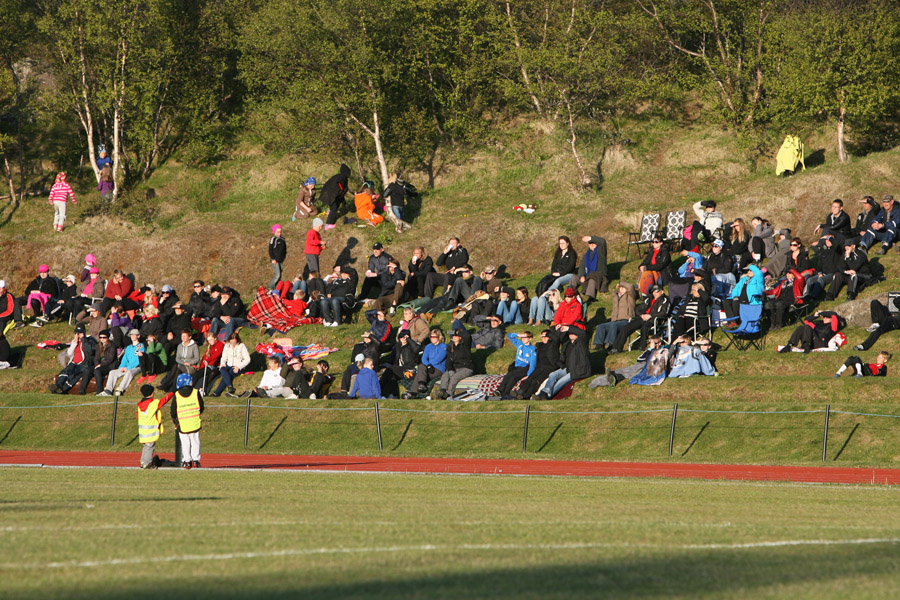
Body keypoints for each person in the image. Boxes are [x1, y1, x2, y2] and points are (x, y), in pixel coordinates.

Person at [536, 323, 591, 399]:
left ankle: (546, 396)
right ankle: (545, 392)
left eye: (573, 333)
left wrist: (568, 328)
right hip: (568, 368)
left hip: (579, 370)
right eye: (570, 333)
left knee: (560, 382)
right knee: (553, 374)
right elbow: (557, 337)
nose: (571, 334)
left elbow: (582, 333)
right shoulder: (567, 343)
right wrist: (557, 328)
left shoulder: (582, 342)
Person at [611, 285, 670, 353]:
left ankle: (642, 347)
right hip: (642, 318)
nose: (654, 293)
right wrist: (641, 315)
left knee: (644, 328)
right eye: (653, 292)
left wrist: (650, 316)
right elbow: (638, 309)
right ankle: (616, 348)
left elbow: (664, 313)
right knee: (626, 328)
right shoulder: (649, 299)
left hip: (654, 320)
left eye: (657, 291)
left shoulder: (665, 300)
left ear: (662, 292)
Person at [48, 324, 97, 394]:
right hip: (73, 362)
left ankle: (63, 389)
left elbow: (90, 350)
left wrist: (83, 339)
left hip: (83, 364)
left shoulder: (90, 340)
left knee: (73, 376)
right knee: (64, 373)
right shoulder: (75, 341)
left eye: (79, 333)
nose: (78, 335)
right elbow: (69, 353)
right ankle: (58, 386)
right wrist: (75, 343)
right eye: (76, 333)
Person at [168, 373, 204, 469]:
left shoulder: (177, 395)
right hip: (194, 421)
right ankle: (196, 460)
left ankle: (187, 461)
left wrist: (174, 420)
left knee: (185, 443)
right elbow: (201, 406)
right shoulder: (196, 392)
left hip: (182, 423)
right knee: (195, 441)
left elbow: (173, 410)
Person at [98, 329, 143, 395]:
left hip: (137, 367)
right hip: (127, 366)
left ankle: (120, 389)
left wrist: (128, 368)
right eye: (131, 335)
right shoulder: (128, 347)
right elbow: (124, 359)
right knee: (112, 372)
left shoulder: (141, 346)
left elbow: (137, 361)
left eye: (134, 335)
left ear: (138, 336)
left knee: (129, 373)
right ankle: (108, 390)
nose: (132, 336)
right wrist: (121, 367)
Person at [404, 329, 448, 398]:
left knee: (420, 374)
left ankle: (413, 392)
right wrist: (428, 365)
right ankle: (421, 384)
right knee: (421, 366)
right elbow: (424, 358)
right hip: (428, 367)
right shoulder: (428, 346)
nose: (432, 339)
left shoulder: (444, 347)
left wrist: (429, 365)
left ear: (439, 337)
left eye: (434, 337)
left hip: (438, 369)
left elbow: (438, 360)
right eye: (431, 337)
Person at [593, 281, 636, 349]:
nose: (621, 289)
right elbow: (614, 292)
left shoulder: (630, 296)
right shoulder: (616, 296)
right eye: (620, 287)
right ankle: (598, 345)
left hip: (626, 320)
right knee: (601, 326)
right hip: (615, 320)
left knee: (613, 325)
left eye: (623, 288)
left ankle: (611, 344)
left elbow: (630, 286)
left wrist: (620, 283)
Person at [434, 327, 474, 399]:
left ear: (460, 337)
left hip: (466, 368)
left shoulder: (465, 345)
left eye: (456, 336)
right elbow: (448, 362)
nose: (454, 337)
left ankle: (449, 394)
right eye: (453, 336)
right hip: (455, 368)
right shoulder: (450, 347)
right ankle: (442, 391)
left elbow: (468, 336)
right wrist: (450, 369)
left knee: (454, 378)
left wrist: (457, 332)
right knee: (445, 375)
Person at [136, 384, 170, 469]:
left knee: (146, 446)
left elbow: (137, 416)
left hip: (143, 431)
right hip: (150, 431)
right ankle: (147, 463)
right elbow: (164, 400)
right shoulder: (153, 403)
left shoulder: (140, 405)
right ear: (151, 393)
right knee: (150, 447)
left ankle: (143, 462)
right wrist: (171, 393)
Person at [498, 331, 537, 399]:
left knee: (513, 377)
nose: (523, 339)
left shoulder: (533, 350)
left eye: (525, 337)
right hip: (517, 367)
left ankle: (505, 393)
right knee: (508, 375)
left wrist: (529, 375)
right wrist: (518, 334)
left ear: (530, 338)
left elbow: (532, 363)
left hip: (524, 368)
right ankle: (499, 391)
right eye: (522, 337)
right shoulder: (520, 344)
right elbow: (509, 335)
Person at [212, 332, 251, 397]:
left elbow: (247, 359)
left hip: (237, 366)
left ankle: (216, 393)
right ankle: (230, 386)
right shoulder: (227, 346)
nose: (232, 344)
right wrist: (223, 364)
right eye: (231, 342)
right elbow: (224, 357)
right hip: (228, 365)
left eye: (234, 342)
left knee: (228, 373)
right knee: (222, 370)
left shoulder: (242, 346)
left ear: (237, 341)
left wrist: (239, 366)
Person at [572, 235, 608, 300]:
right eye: (590, 243)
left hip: (598, 275)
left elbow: (602, 241)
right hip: (587, 275)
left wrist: (590, 238)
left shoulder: (600, 252)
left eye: (593, 243)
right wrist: (581, 275)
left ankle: (590, 296)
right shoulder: (587, 255)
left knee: (592, 278)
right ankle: (570, 293)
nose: (591, 245)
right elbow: (582, 267)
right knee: (574, 278)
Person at [83, 329, 116, 395]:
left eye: (104, 337)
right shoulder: (98, 345)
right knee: (87, 370)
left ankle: (99, 390)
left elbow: (110, 359)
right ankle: (82, 390)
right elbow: (96, 357)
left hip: (109, 365)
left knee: (97, 370)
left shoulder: (112, 346)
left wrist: (100, 365)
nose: (102, 339)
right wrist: (97, 364)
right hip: (100, 364)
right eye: (100, 337)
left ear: (108, 337)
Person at [320, 163, 351, 229]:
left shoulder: (338, 176)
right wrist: (343, 202)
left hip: (328, 193)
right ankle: (328, 224)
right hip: (332, 195)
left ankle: (330, 212)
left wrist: (343, 201)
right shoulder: (343, 179)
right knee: (334, 208)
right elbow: (342, 191)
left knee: (333, 205)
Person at [268, 224, 287, 289]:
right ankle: (270, 288)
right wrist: (273, 258)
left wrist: (284, 257)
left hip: (281, 260)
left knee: (280, 276)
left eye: (280, 232)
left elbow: (284, 249)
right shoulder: (273, 239)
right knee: (277, 275)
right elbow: (270, 249)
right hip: (275, 260)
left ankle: (277, 288)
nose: (279, 233)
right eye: (277, 232)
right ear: (274, 232)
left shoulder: (283, 239)